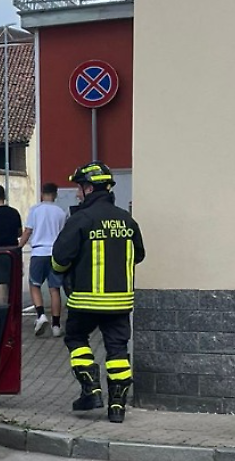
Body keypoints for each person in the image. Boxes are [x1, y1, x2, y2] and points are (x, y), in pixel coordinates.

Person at [51, 161, 146, 423]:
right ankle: (117, 407)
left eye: (80, 188)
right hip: (120, 301)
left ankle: (91, 390)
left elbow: (59, 260)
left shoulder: (81, 219)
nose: (78, 193)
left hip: (85, 299)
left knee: (77, 338)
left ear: (90, 188)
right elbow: (139, 255)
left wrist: (72, 269)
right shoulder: (128, 220)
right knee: (117, 351)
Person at [18, 182, 69, 337]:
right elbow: (64, 235)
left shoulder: (35, 210)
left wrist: (18, 247)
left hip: (38, 252)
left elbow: (28, 231)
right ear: (55, 194)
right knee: (54, 289)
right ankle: (56, 325)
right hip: (54, 253)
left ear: (42, 193)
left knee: (34, 285)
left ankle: (40, 315)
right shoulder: (61, 212)